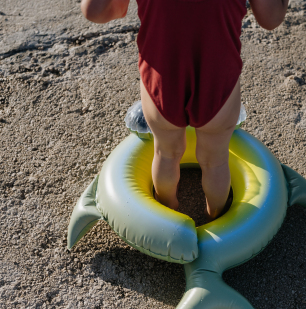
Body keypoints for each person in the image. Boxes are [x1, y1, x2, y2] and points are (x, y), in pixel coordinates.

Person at [81, 0, 289, 219]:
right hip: (217, 78)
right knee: (215, 160)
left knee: (165, 153)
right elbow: (271, 18)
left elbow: (95, 11)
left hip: (163, 77)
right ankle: (217, 218)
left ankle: (167, 217)